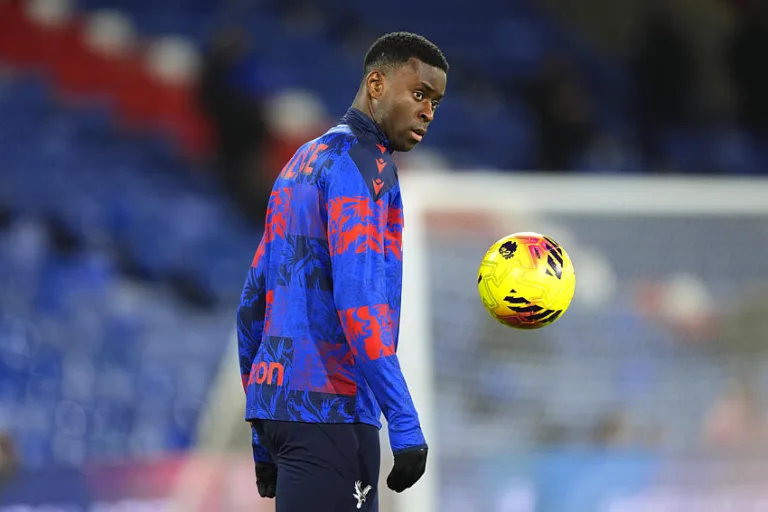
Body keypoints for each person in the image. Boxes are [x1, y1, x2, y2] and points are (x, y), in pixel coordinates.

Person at [236, 31, 448, 511]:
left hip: (282, 410)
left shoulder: (300, 161)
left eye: (435, 102)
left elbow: (252, 303)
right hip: (332, 408)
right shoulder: (367, 168)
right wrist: (404, 421)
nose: (428, 112)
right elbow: (358, 304)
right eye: (419, 94)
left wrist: (261, 432)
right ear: (376, 84)